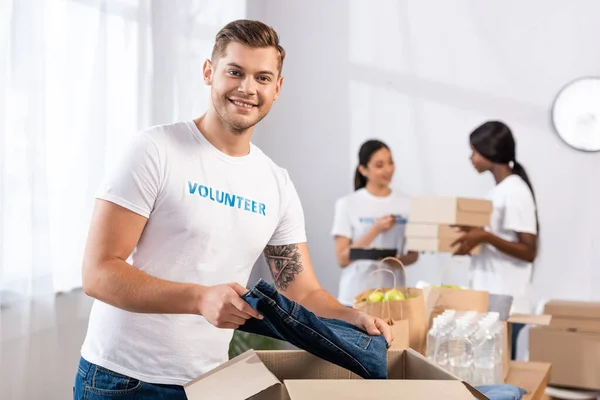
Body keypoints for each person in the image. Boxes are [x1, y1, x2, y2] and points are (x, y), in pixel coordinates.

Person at [74, 20, 391, 399]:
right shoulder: (154, 150)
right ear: (209, 72)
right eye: (235, 72)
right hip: (124, 380)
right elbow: (98, 273)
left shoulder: (277, 184)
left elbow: (302, 289)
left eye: (262, 77)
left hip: (209, 383)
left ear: (277, 88)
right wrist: (198, 298)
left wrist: (351, 317)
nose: (247, 88)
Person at [452, 120, 539, 360]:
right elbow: (497, 240)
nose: (471, 158)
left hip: (507, 303)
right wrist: (474, 236)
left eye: (474, 151)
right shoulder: (499, 191)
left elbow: (529, 250)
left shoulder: (514, 190)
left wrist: (485, 235)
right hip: (494, 299)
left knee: (499, 371)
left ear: (489, 151)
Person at [331, 139, 419, 307]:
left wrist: (398, 261)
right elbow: (342, 259)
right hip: (355, 298)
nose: (388, 170)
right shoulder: (347, 204)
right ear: (363, 170)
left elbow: (414, 255)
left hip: (394, 297)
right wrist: (375, 230)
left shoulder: (408, 203)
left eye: (390, 162)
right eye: (379, 165)